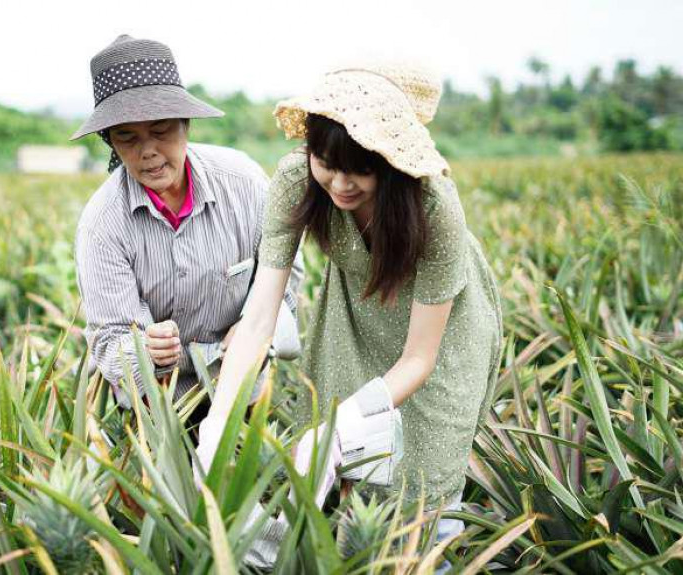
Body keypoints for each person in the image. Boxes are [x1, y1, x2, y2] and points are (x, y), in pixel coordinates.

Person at [196, 64, 503, 566]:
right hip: (355, 321)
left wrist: (344, 422)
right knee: (345, 471)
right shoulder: (297, 179)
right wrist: (218, 424)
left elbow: (420, 359)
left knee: (426, 473)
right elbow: (258, 318)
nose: (339, 183)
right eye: (325, 161)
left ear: (392, 161)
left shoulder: (433, 206)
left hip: (441, 340)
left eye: (360, 168)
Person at [71, 35, 303, 412]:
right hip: (157, 407)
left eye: (161, 131)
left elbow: (286, 272)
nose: (147, 151)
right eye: (127, 138)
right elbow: (108, 339)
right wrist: (144, 349)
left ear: (186, 124)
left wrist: (252, 326)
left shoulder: (245, 185)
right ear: (111, 143)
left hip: (243, 387)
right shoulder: (102, 226)